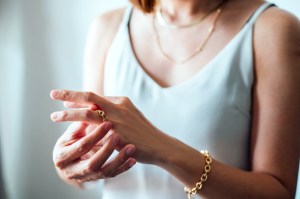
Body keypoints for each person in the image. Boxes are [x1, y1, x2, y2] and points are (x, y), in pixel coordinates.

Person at [50, 0, 300, 198]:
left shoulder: (272, 29)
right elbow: (88, 165)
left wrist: (160, 148)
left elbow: (277, 192)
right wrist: (73, 165)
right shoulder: (107, 27)